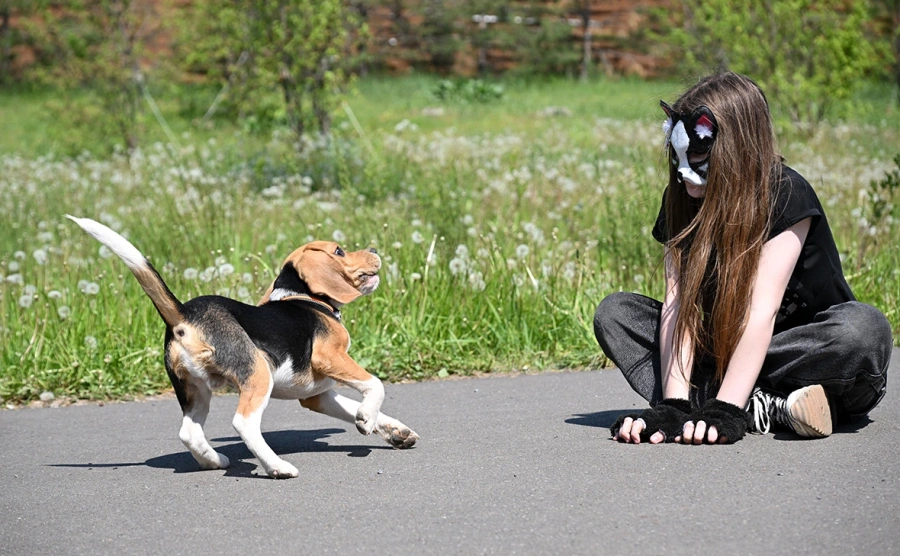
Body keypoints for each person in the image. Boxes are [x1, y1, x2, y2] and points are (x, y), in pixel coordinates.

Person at [593, 70, 893, 444]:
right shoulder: (683, 200)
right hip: (725, 352)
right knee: (616, 313)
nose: (684, 170)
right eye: (678, 154)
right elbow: (678, 306)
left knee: (863, 328)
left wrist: (726, 411)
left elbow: (759, 311)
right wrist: (672, 405)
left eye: (699, 155)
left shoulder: (785, 193)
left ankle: (735, 402)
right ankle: (768, 407)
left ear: (736, 149)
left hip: (809, 359)